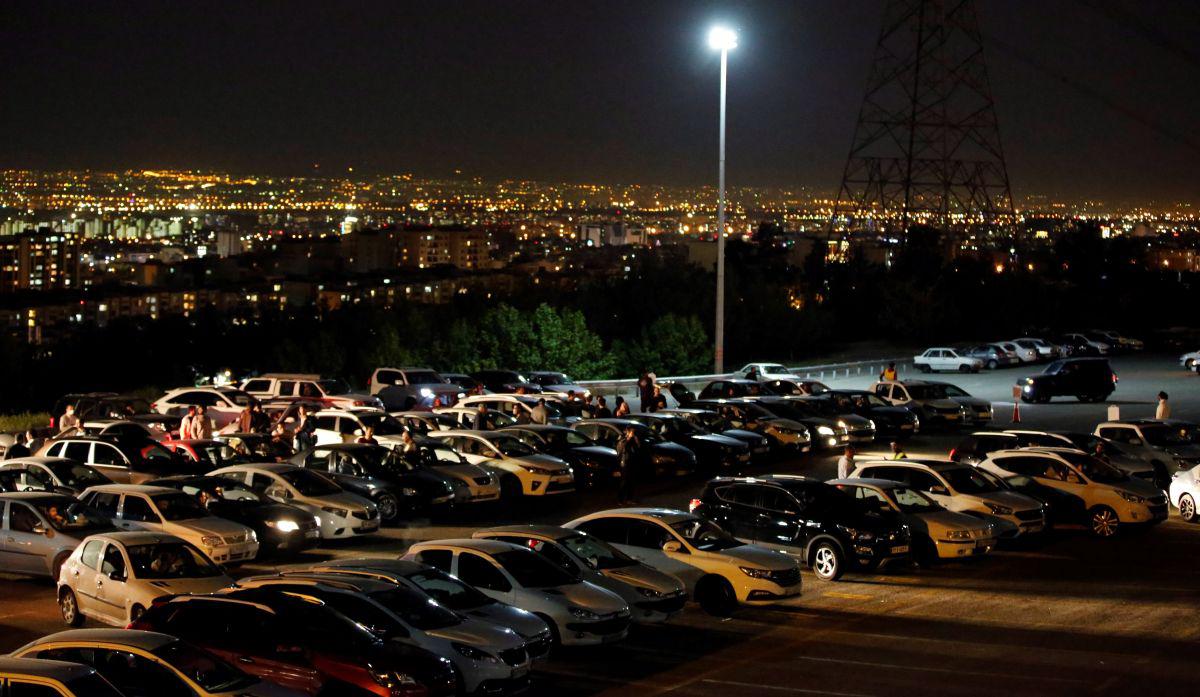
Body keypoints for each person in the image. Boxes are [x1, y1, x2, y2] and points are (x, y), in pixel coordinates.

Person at [616, 424, 640, 504]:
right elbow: (621, 448)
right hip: (625, 463)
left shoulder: (634, 439)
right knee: (624, 482)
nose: (633, 433)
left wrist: (636, 441)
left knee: (631, 481)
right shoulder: (622, 438)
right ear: (628, 431)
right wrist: (629, 438)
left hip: (632, 462)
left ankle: (630, 499)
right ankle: (620, 499)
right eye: (632, 431)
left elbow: (637, 448)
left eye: (634, 432)